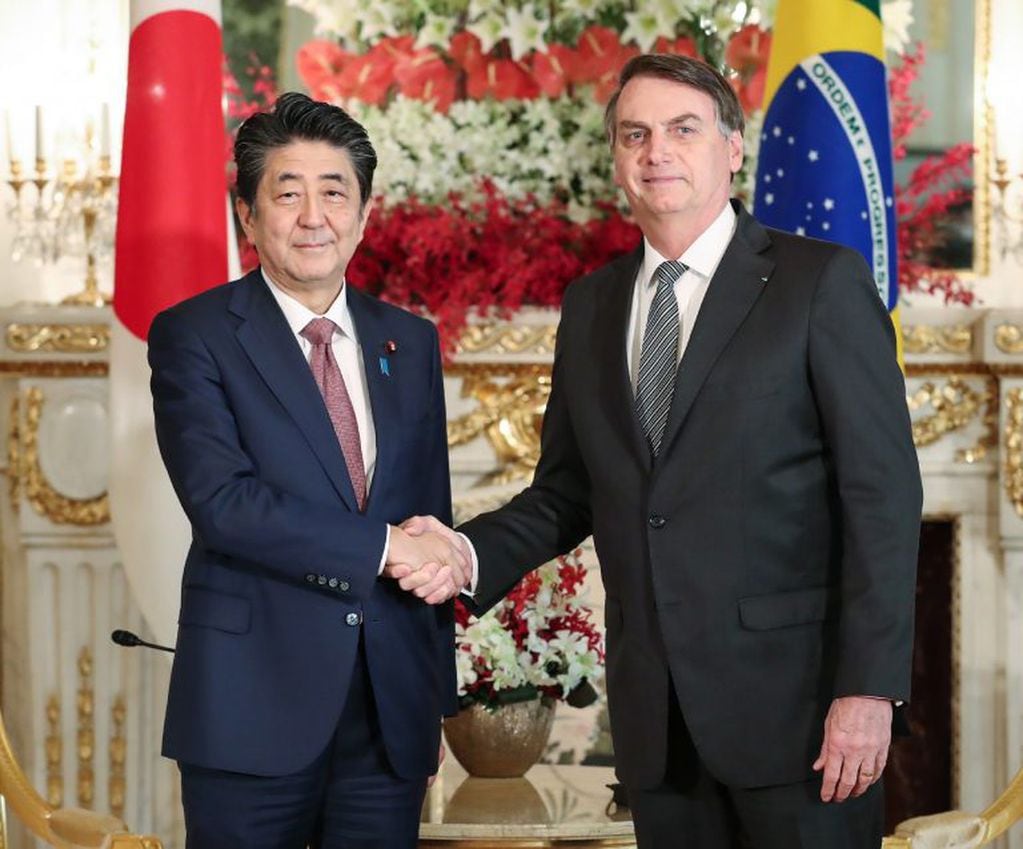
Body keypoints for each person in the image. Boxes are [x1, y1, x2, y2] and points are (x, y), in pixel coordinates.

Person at [398, 54, 922, 848]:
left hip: (802, 720)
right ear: (616, 158)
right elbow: (567, 490)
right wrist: (462, 551)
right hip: (658, 729)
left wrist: (868, 690)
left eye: (683, 130)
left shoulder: (818, 284)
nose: (656, 153)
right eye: (634, 134)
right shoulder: (593, 304)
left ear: (732, 146)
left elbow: (881, 500)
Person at [148, 92, 469, 849]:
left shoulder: (409, 342)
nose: (312, 215)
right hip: (250, 707)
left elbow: (427, 512)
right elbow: (224, 502)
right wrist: (390, 548)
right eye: (287, 193)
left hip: (387, 717)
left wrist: (432, 694)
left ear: (363, 213)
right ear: (247, 215)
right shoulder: (195, 335)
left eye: (334, 192)